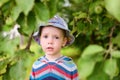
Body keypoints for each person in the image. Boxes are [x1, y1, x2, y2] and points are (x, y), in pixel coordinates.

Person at [30, 15, 79, 80]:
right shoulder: (36, 65)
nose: (50, 41)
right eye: (45, 36)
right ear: (40, 39)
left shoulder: (70, 66)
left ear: (64, 41)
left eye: (56, 37)